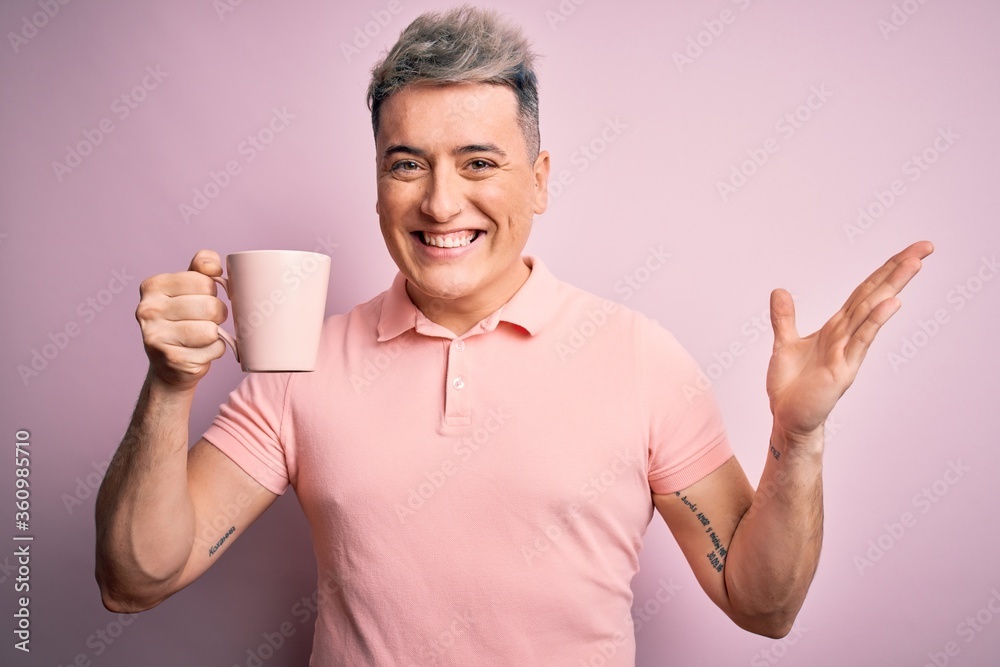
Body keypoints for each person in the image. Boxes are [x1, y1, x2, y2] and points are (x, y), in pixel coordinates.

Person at [95, 5, 933, 665]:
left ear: (538, 181)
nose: (440, 202)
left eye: (479, 162)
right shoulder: (298, 367)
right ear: (378, 182)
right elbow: (134, 579)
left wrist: (798, 437)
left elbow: (764, 606)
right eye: (406, 162)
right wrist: (170, 387)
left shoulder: (641, 358)